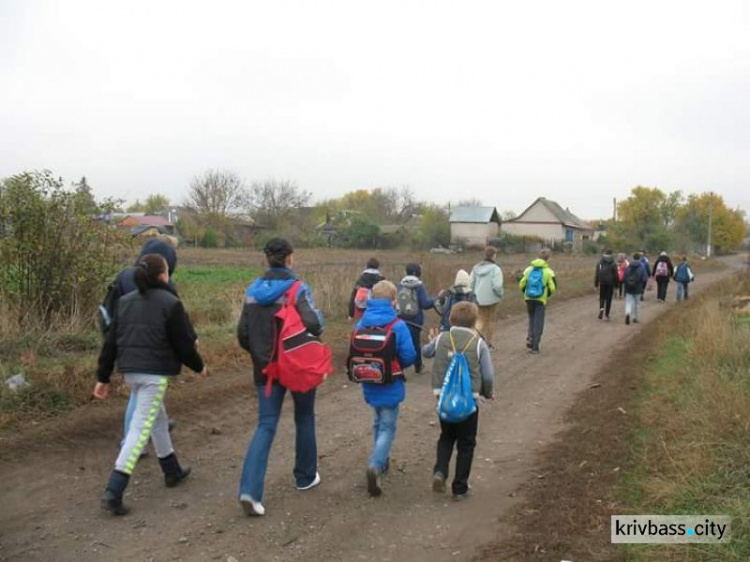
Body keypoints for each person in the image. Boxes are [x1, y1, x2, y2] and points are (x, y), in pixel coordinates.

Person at [94, 254, 206, 516]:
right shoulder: (171, 303)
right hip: (153, 376)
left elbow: (110, 343)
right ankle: (114, 490)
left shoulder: (125, 302)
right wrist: (199, 366)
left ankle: (172, 470)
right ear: (163, 275)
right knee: (139, 430)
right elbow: (183, 344)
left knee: (157, 417)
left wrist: (102, 377)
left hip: (130, 373)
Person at [236, 238, 325, 517]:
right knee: (304, 417)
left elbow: (243, 334)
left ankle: (250, 491)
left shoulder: (252, 291)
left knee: (265, 425)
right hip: (296, 366)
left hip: (265, 370)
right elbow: (314, 324)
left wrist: (263, 355)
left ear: (266, 259)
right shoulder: (297, 289)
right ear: (290, 258)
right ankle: (305, 476)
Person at [102, 236, 182, 456]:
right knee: (141, 392)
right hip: (133, 341)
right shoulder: (139, 281)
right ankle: (130, 442)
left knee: (147, 389)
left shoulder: (134, 276)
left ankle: (156, 429)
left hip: (129, 339)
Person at [422, 301, 494, 500]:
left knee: (446, 437)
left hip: (443, 398)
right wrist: (487, 393)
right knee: (466, 443)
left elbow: (426, 352)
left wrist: (432, 340)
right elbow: (487, 375)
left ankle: (440, 471)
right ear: (474, 323)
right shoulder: (479, 344)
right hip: (468, 402)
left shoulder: (442, 338)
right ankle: (460, 487)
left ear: (451, 319)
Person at [353, 280, 416, 497]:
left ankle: (383, 460)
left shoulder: (361, 324)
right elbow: (409, 356)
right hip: (391, 381)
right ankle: (376, 464)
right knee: (388, 426)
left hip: (369, 380)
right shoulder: (398, 325)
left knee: (378, 421)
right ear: (393, 301)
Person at [396, 263, 434, 374]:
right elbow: (425, 304)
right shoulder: (419, 286)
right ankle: (418, 366)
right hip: (415, 322)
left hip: (401, 320)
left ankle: (400, 368)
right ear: (418, 273)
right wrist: (435, 301)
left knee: (400, 343)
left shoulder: (400, 285)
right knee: (415, 344)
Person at [519, 248, 556, 354]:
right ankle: (535, 346)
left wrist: (526, 293)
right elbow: (553, 288)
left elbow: (522, 284)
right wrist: (546, 295)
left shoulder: (528, 269)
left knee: (531, 319)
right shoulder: (548, 272)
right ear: (548, 258)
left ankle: (530, 338)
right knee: (538, 322)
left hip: (529, 298)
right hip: (540, 299)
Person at [468, 247, 504, 348]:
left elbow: (470, 283)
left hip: (478, 298)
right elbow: (497, 286)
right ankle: (489, 343)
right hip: (492, 298)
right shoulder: (496, 269)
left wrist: (473, 294)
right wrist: (500, 294)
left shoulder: (476, 268)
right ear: (493, 256)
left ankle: (472, 340)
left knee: (480, 320)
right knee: (491, 320)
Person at [623, 252, 649, 325]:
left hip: (629, 287)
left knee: (628, 302)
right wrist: (642, 287)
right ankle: (635, 318)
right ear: (639, 258)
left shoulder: (628, 266)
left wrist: (626, 284)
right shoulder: (642, 267)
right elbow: (644, 278)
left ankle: (627, 313)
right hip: (638, 287)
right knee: (637, 303)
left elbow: (625, 277)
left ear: (633, 258)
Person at [594, 249, 619, 320]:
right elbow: (616, 275)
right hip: (610, 283)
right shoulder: (613, 263)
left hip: (602, 282)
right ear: (611, 254)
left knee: (602, 297)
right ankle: (607, 314)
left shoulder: (600, 262)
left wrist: (596, 284)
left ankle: (601, 308)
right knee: (609, 298)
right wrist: (616, 285)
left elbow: (597, 274)